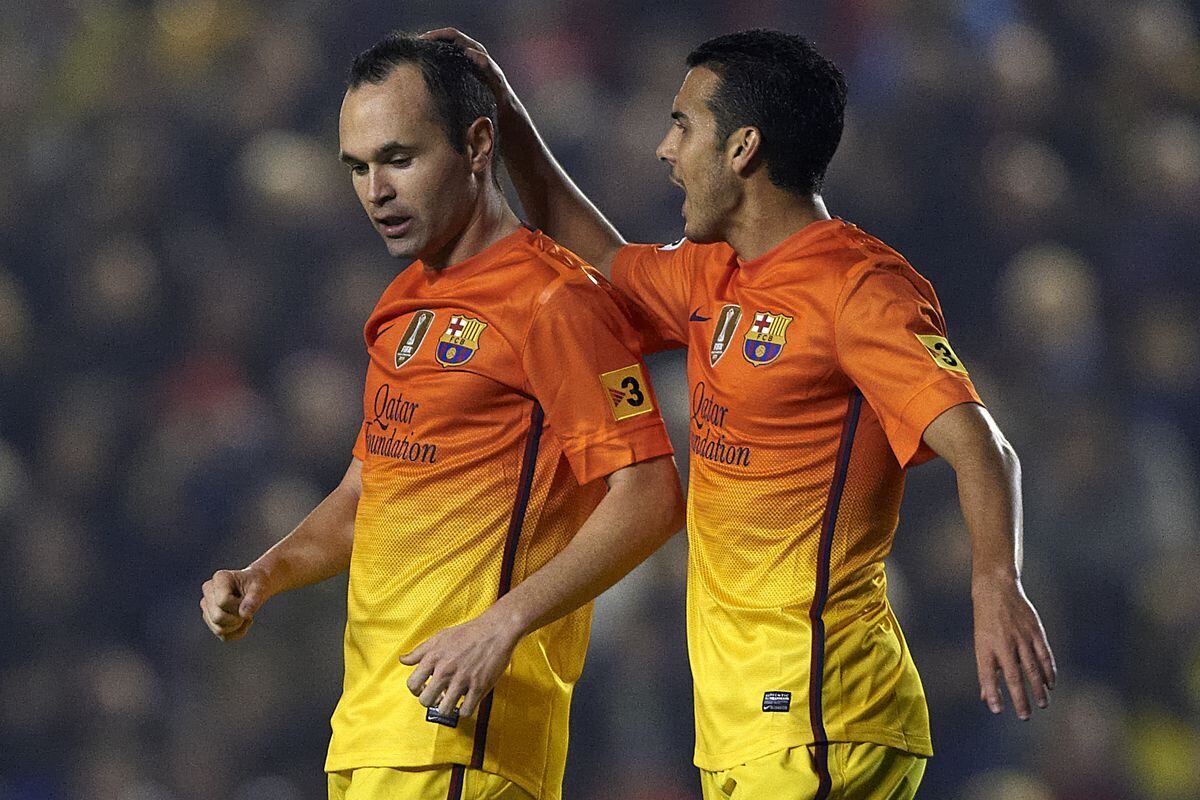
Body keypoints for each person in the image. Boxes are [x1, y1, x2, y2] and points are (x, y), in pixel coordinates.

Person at [427, 27, 1058, 799]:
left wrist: (995, 582)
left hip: (821, 712)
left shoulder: (858, 287)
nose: (665, 150)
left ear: (742, 148)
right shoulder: (712, 273)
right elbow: (596, 256)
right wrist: (507, 114)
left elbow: (980, 444)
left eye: (682, 126)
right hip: (747, 732)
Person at [199, 33, 684, 800]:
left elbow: (651, 494)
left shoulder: (555, 302)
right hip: (368, 736)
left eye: (399, 159)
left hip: (465, 741)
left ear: (477, 145)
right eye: (358, 167)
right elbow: (367, 496)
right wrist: (266, 573)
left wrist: (503, 623)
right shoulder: (402, 304)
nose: (376, 190)